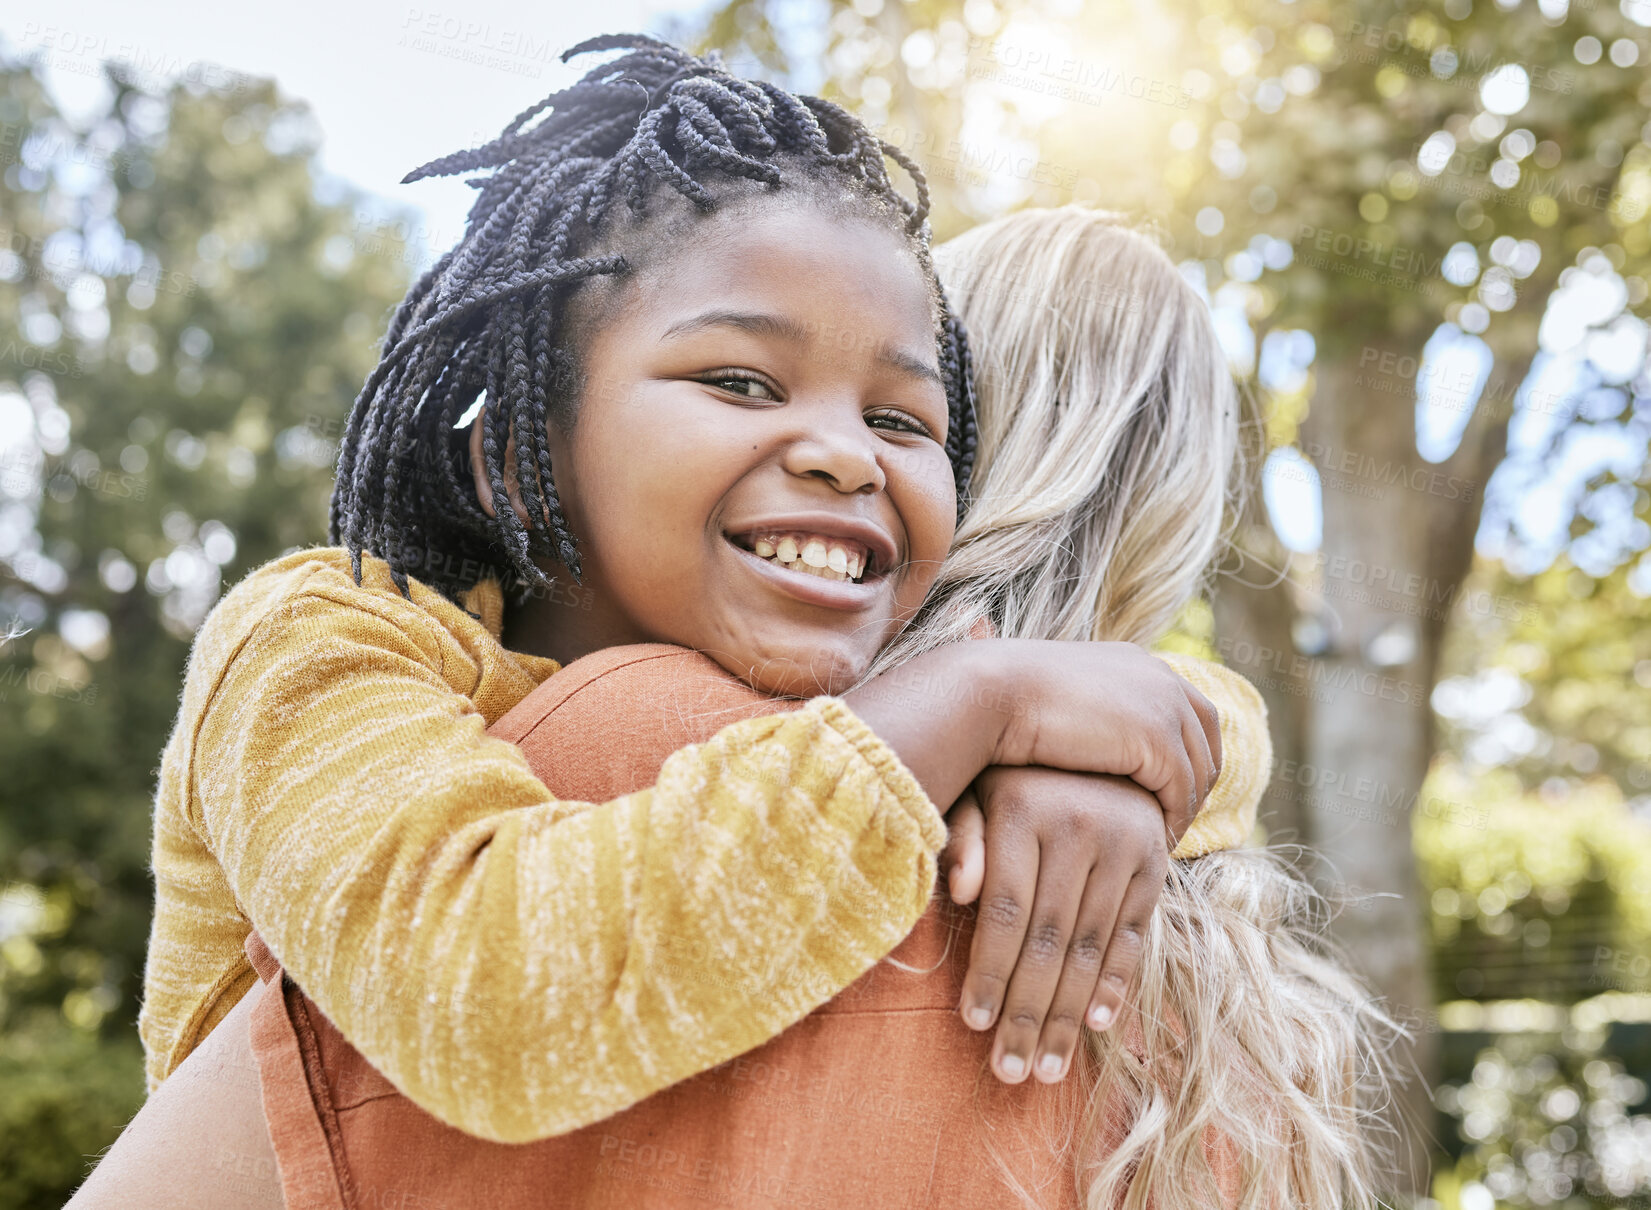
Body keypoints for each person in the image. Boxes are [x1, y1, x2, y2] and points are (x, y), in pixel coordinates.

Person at [131, 32, 1258, 1153]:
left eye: (901, 419)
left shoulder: (833, 676)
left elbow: (1190, 715)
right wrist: (990, 704)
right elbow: (497, 1002)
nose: (846, 454)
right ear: (520, 451)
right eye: (738, 380)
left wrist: (1105, 765)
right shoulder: (318, 644)